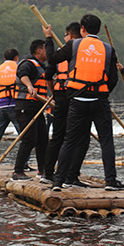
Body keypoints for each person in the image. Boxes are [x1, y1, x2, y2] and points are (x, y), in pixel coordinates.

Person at [43, 14, 124, 191]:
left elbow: (51, 59)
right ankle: (110, 181)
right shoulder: (109, 49)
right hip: (99, 101)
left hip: (77, 101)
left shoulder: (74, 45)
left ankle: (58, 182)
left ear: (82, 29)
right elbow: (113, 79)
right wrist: (102, 94)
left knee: (70, 140)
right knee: (106, 141)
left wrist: (49, 38)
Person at [40, 22, 84, 186]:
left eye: (65, 35)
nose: (65, 38)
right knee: (75, 137)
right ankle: (68, 175)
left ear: (70, 36)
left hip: (61, 95)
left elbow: (48, 76)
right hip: (74, 95)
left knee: (60, 135)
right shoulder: (82, 52)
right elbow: (49, 74)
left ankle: (50, 173)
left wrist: (54, 92)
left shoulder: (61, 52)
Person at [12, 40, 49, 180]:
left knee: (43, 140)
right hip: (25, 106)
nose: (48, 52)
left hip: (37, 107)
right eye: (46, 49)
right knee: (29, 139)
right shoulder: (28, 63)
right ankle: (17, 172)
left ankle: (43, 171)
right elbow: (22, 74)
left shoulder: (41, 66)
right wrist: (29, 86)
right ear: (39, 50)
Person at [0, 49, 21, 168]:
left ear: (5, 58)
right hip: (15, 105)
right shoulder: (20, 66)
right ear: (16, 57)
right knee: (23, 137)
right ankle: (24, 163)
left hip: (1, 106)